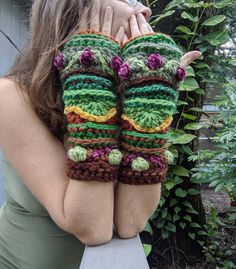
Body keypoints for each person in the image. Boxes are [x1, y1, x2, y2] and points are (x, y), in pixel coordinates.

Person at [0, 0, 201, 268]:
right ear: (74, 9)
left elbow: (130, 222)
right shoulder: (11, 96)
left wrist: (152, 97)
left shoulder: (127, 92)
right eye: (128, 0)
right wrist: (89, 88)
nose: (145, 11)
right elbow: (92, 228)